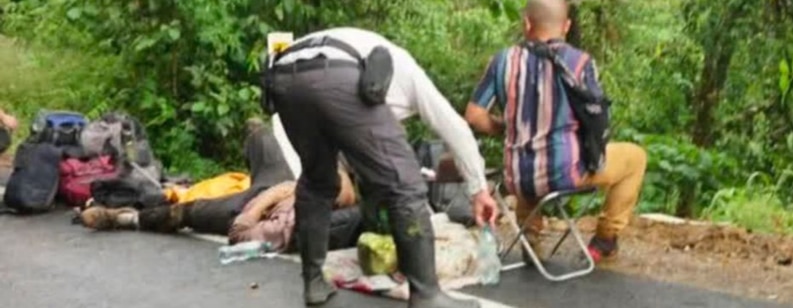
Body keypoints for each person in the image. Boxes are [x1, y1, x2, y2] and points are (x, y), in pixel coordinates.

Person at [264, 27, 497, 307]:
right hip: (336, 72)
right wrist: (479, 190)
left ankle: (313, 282)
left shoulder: (377, 61)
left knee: (317, 181)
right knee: (406, 184)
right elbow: (455, 128)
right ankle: (427, 296)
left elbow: (356, 143)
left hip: (282, 77)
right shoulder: (409, 74)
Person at [464, 0, 648, 263]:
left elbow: (474, 115)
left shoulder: (502, 61)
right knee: (635, 157)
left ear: (527, 23)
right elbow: (595, 114)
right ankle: (606, 239)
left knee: (531, 165)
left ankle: (530, 237)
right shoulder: (580, 62)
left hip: (517, 177)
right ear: (566, 26)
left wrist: (509, 127)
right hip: (565, 173)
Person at [79, 121, 364, 252]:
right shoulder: (338, 148)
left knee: (191, 212)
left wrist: (253, 213)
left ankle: (126, 218)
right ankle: (253, 166)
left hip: (262, 204)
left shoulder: (350, 192)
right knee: (260, 133)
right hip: (278, 185)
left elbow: (297, 191)